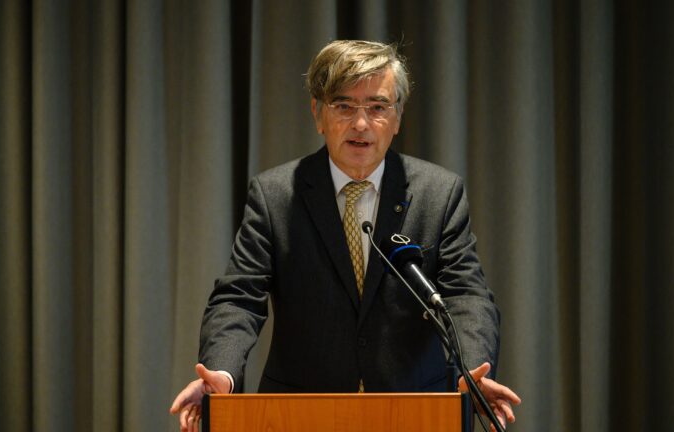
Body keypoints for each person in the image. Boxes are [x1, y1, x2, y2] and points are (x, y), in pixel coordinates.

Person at [170, 40, 521, 431]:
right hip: (300, 412)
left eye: (377, 107)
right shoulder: (275, 195)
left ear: (398, 115)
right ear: (318, 114)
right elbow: (239, 299)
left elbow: (464, 295)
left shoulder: (439, 194)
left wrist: (471, 371)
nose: (361, 124)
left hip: (414, 409)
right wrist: (221, 370)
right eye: (344, 106)